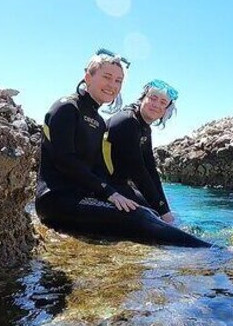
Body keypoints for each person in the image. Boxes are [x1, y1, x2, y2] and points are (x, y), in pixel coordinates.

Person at [35, 50, 210, 248]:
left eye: (118, 81)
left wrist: (112, 195)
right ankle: (209, 250)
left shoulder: (99, 121)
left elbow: (100, 169)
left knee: (147, 213)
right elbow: (64, 160)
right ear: (88, 77)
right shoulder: (67, 108)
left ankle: (200, 244)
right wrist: (111, 193)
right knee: (139, 217)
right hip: (56, 200)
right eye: (107, 77)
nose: (112, 85)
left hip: (82, 197)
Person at [103, 79, 178, 224]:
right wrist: (164, 214)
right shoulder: (127, 121)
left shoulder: (144, 128)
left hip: (119, 186)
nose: (156, 104)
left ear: (166, 110)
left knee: (159, 213)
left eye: (163, 102)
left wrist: (165, 209)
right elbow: (138, 171)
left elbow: (151, 170)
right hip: (105, 187)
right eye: (153, 98)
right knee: (155, 216)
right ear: (143, 98)